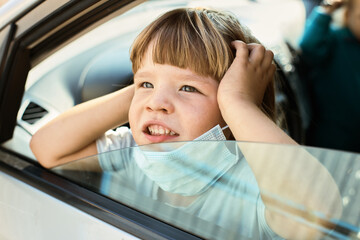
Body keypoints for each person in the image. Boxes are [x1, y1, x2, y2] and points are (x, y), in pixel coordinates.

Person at [30, 7, 342, 239]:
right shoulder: (134, 155)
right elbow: (47, 149)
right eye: (145, 84)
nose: (156, 103)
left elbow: (316, 216)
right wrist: (144, 92)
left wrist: (237, 102)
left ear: (234, 111)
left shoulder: (258, 185)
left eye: (189, 88)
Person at [299, 0, 360, 152]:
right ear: (348, 14)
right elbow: (308, 46)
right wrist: (327, 9)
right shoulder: (334, 40)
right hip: (333, 137)